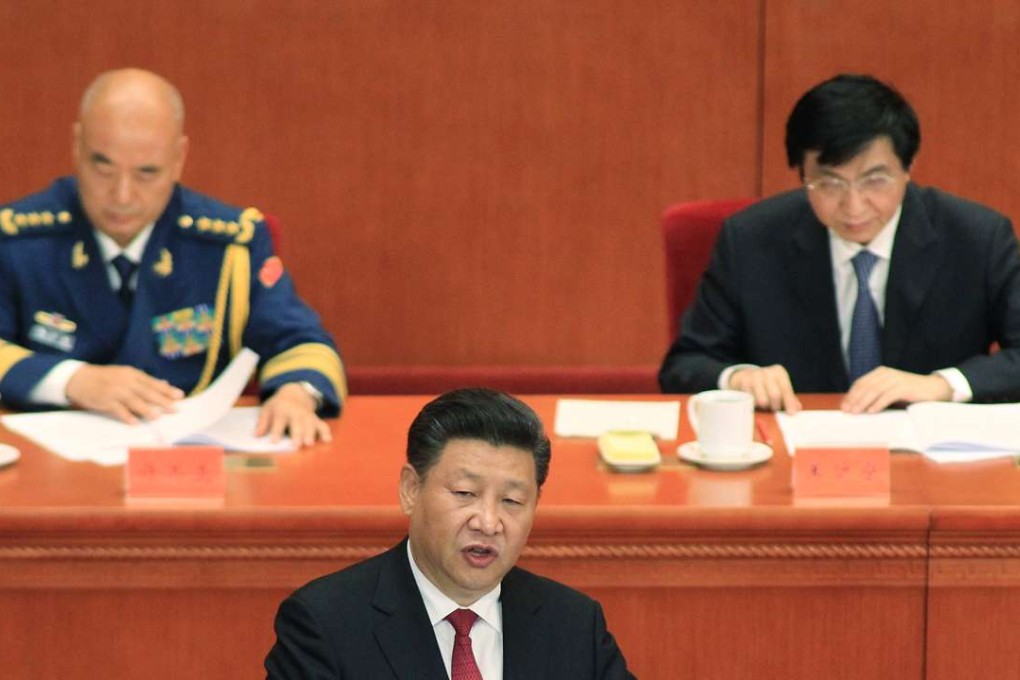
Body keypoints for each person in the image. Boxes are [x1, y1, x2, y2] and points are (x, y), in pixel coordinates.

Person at [0, 68, 345, 445]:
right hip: (49, 468)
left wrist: (296, 394)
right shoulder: (19, 239)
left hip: (189, 462)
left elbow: (302, 342)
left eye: (146, 173)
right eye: (103, 166)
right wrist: (71, 380)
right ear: (77, 145)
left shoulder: (228, 244)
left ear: (179, 158)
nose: (123, 195)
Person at [659, 73, 1020, 414]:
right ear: (802, 174)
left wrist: (942, 385)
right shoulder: (751, 240)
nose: (854, 206)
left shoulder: (977, 238)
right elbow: (684, 366)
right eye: (829, 184)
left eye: (874, 180)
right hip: (796, 458)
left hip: (932, 461)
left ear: (908, 167)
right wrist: (737, 378)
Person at [264, 388, 634, 679]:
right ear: (411, 489)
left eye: (512, 500)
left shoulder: (573, 624)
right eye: (464, 494)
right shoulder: (325, 624)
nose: (488, 522)